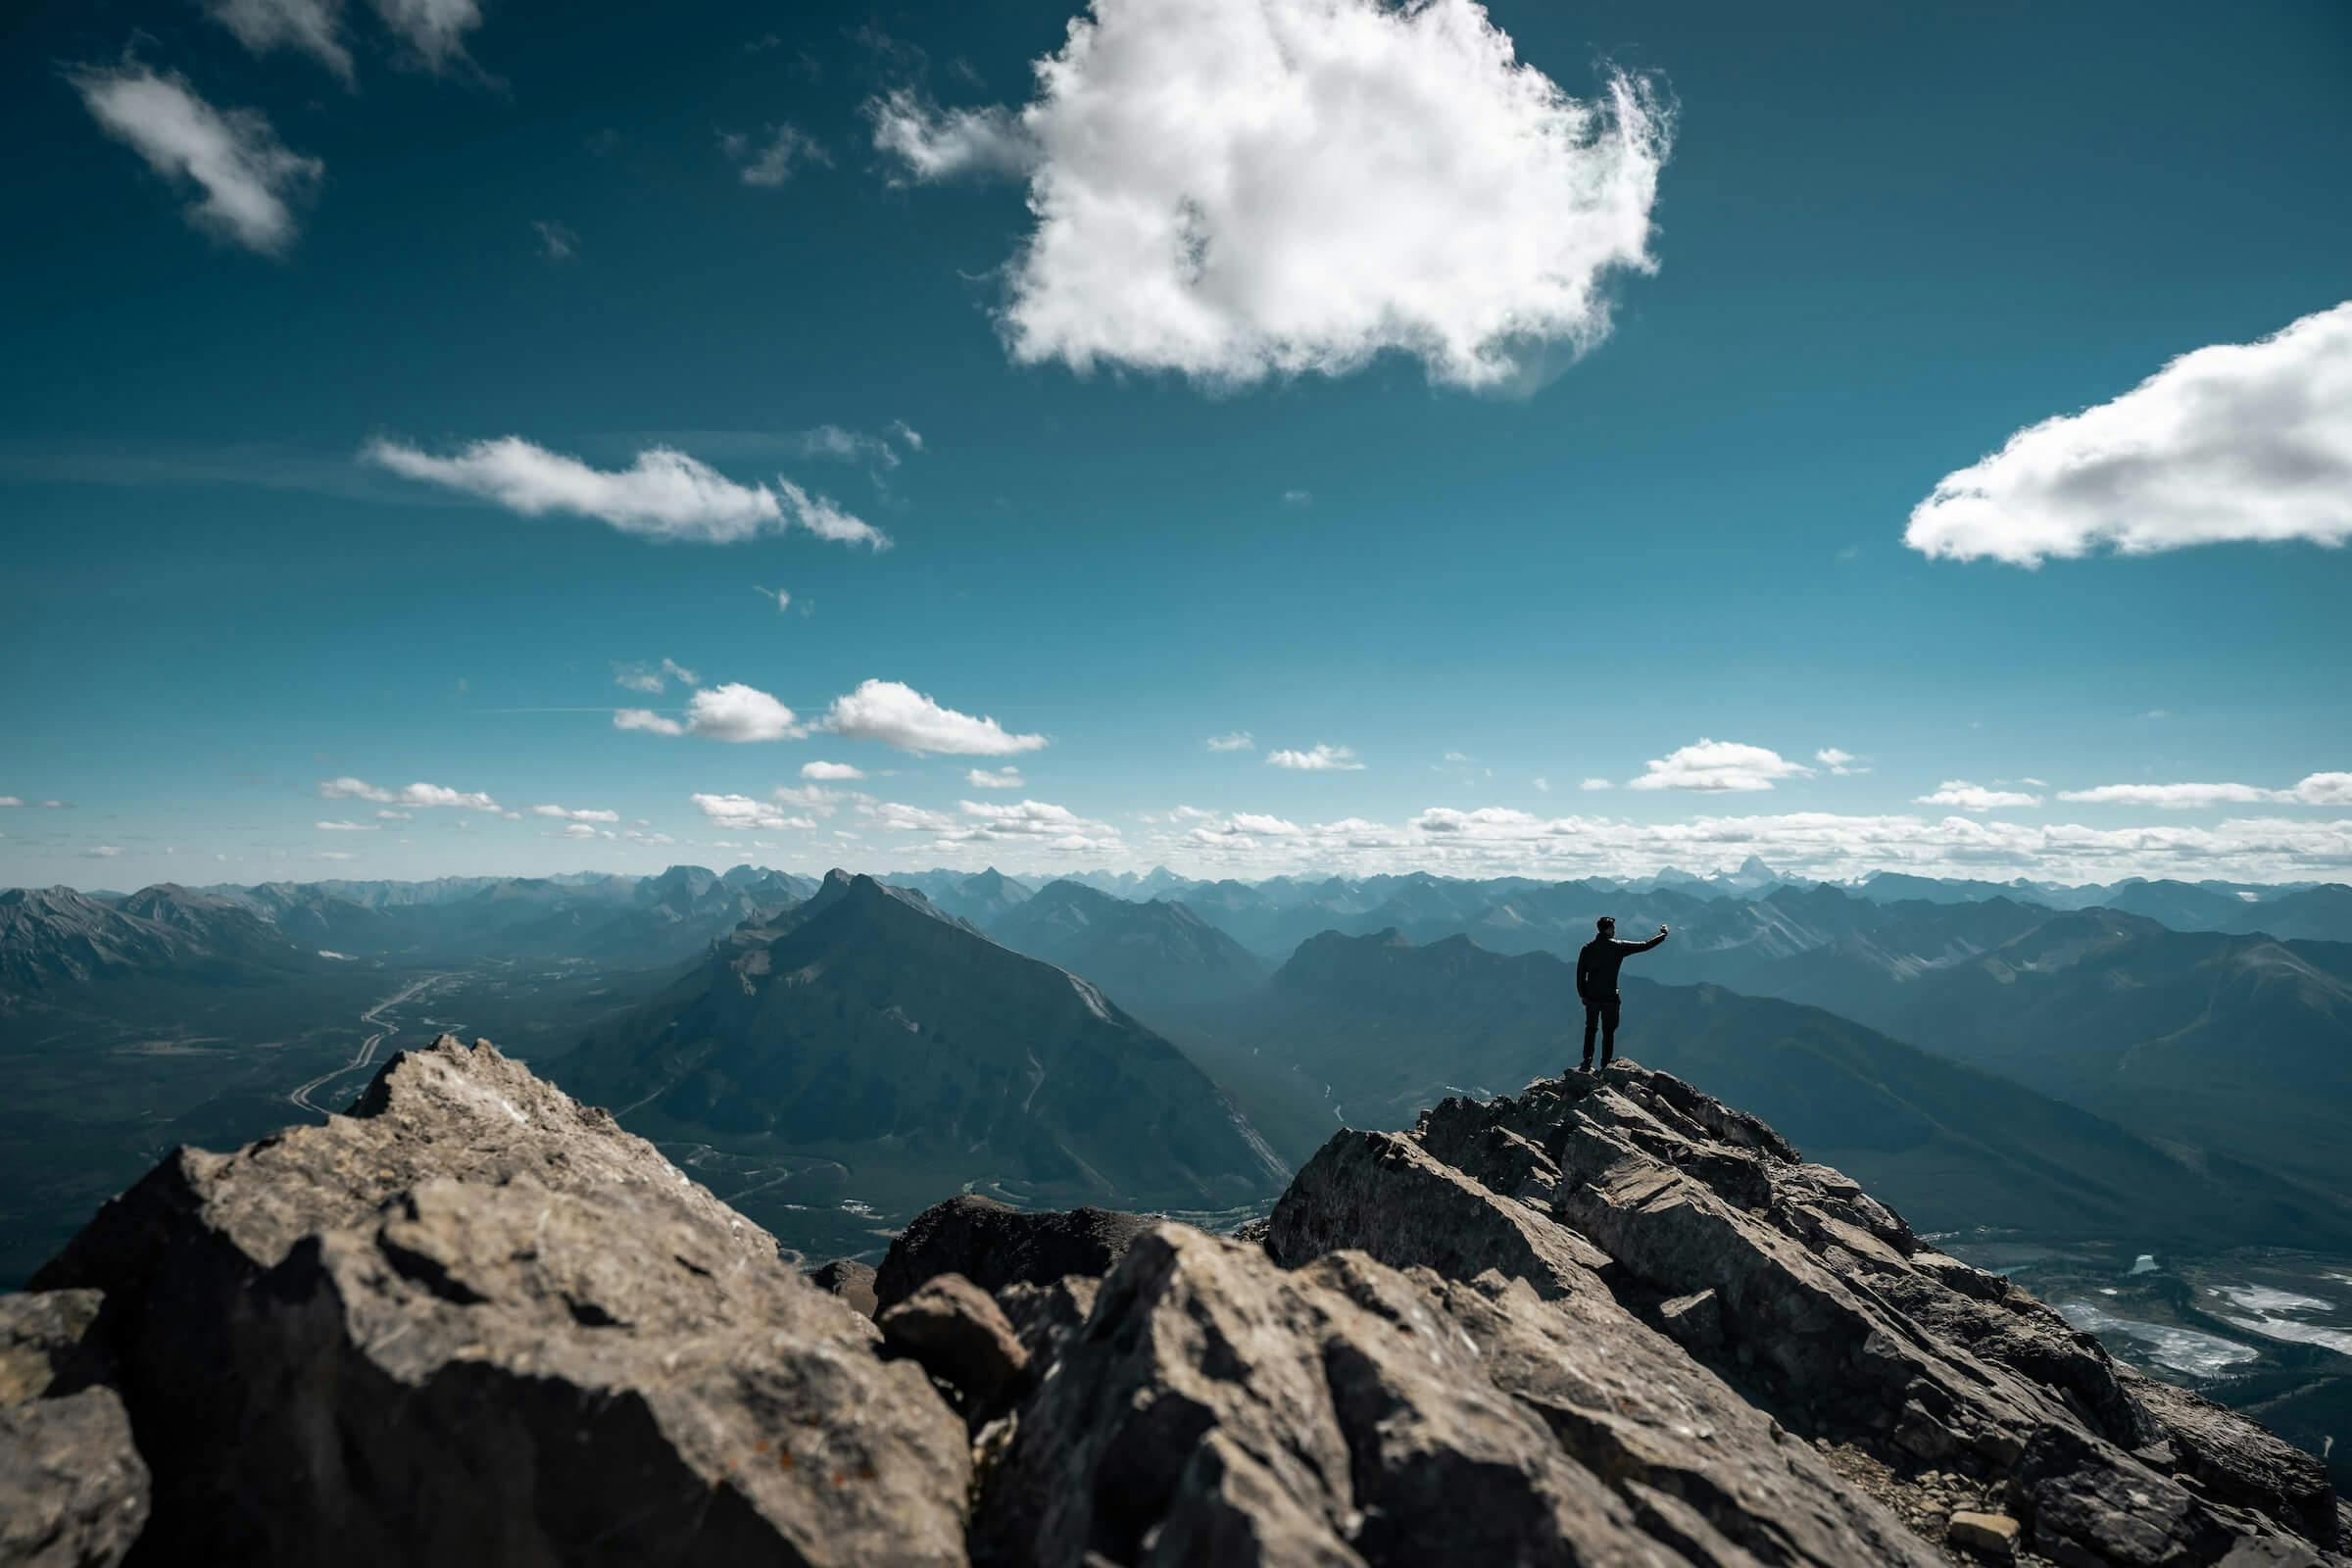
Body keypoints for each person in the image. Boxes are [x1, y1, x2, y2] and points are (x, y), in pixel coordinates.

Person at [1576, 915, 1669, 1074]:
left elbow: (1580, 974)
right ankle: (1605, 1064)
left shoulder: (1587, 948)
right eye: (1613, 928)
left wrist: (1583, 994)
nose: (1614, 930)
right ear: (1608, 929)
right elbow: (1645, 945)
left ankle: (1587, 1060)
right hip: (1610, 997)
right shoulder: (1618, 946)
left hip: (1591, 996)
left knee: (1590, 1029)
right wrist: (1663, 935)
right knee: (1609, 1032)